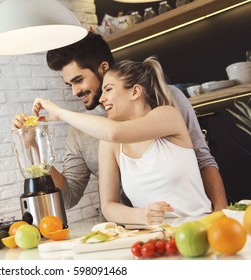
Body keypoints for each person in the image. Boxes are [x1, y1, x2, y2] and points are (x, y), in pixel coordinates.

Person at [12, 32, 227, 212]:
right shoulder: (80, 133)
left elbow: (202, 157)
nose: (75, 91)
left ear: (103, 68)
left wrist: (221, 214)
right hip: (136, 232)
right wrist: (34, 147)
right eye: (70, 84)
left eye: (78, 80)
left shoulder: (165, 99)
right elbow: (68, 197)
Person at [32, 57, 212, 224]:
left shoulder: (167, 115)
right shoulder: (109, 144)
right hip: (153, 238)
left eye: (108, 89)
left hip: (200, 228)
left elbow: (115, 132)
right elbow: (108, 206)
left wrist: (60, 113)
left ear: (135, 91)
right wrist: (142, 215)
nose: (102, 99)